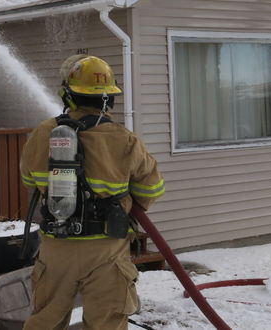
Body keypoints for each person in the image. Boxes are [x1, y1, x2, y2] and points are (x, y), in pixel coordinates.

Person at [20, 55, 165, 330]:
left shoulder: (44, 133)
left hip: (57, 248)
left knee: (45, 321)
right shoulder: (124, 139)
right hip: (106, 251)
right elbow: (152, 188)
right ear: (108, 99)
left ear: (68, 95)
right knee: (106, 323)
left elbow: (29, 179)